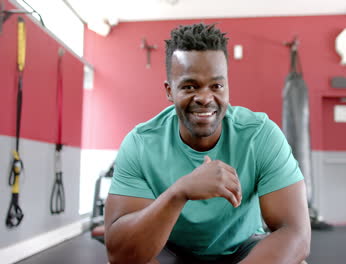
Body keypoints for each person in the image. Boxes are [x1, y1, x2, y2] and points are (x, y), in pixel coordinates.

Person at [104, 23, 311, 264]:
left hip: (241, 249)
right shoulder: (140, 144)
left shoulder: (260, 135)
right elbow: (119, 252)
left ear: (227, 87)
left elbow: (296, 234)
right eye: (190, 86)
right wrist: (178, 192)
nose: (204, 98)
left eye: (216, 86)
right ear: (170, 91)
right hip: (169, 248)